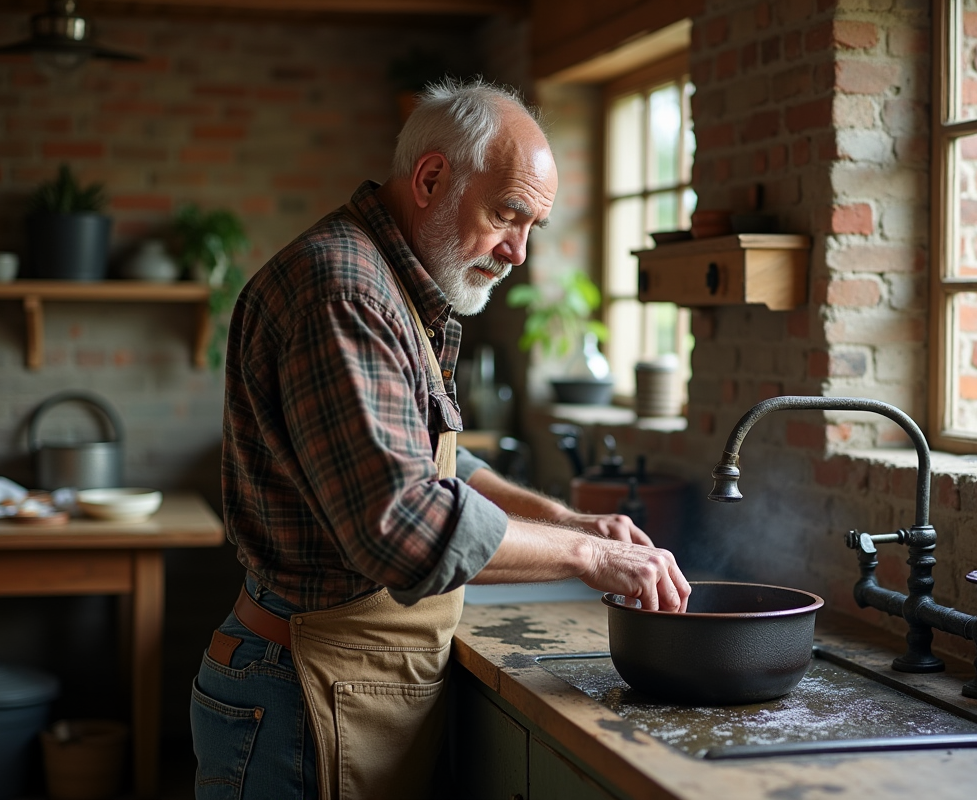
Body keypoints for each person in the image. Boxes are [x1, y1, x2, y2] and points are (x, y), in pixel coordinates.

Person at [190, 77, 691, 800]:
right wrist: (591, 556)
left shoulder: (390, 281)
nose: (518, 253)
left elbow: (434, 458)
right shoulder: (346, 292)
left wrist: (569, 520)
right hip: (301, 697)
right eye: (507, 215)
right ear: (430, 179)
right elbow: (408, 528)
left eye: (532, 226)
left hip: (338, 687)